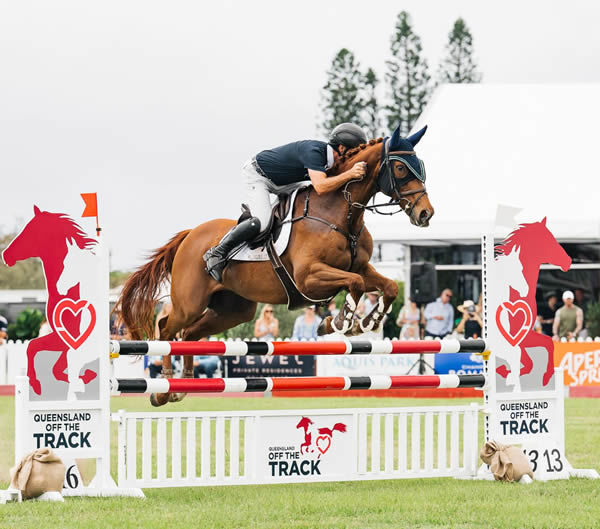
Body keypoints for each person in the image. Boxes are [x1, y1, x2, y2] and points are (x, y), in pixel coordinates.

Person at [203, 123, 369, 282]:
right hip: (258, 176)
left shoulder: (330, 161)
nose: (353, 159)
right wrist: (350, 174)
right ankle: (217, 252)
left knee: (309, 197)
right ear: (341, 148)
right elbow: (321, 187)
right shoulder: (315, 152)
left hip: (283, 181)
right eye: (353, 153)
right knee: (262, 222)